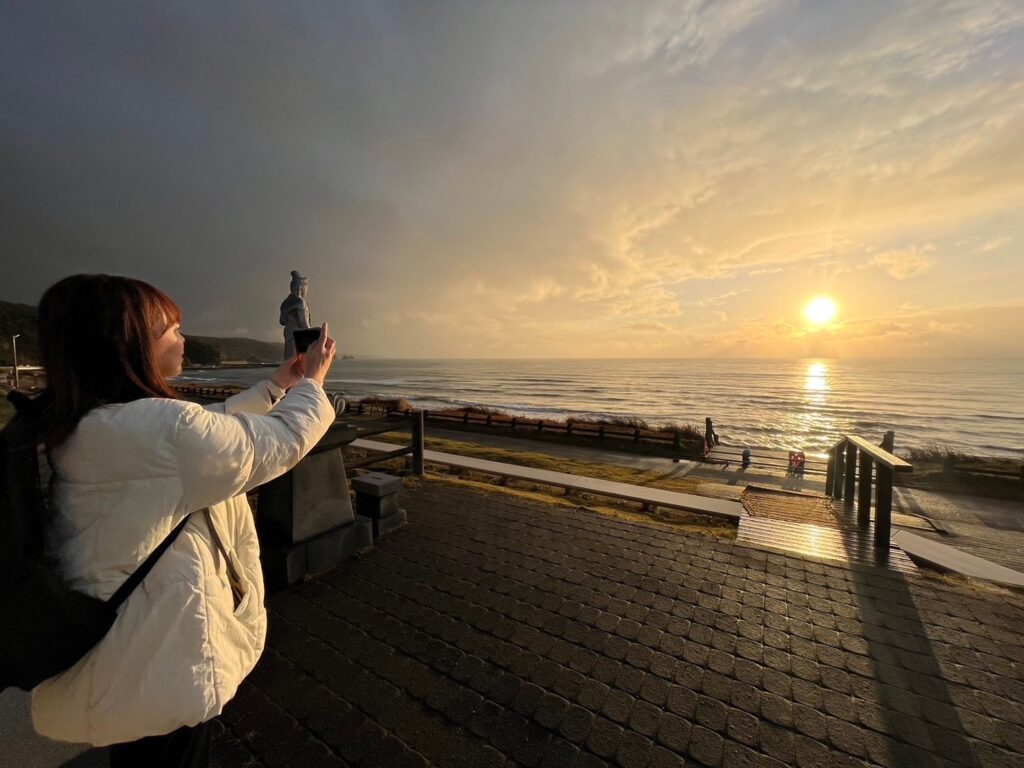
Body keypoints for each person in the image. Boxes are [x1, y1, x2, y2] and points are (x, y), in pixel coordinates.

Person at [28, 275, 337, 767]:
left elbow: (208, 432)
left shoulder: (99, 419)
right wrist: (315, 383)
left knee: (141, 751)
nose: (183, 338)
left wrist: (278, 385)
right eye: (170, 329)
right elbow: (271, 443)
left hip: (124, 647)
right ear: (128, 344)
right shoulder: (159, 429)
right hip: (161, 655)